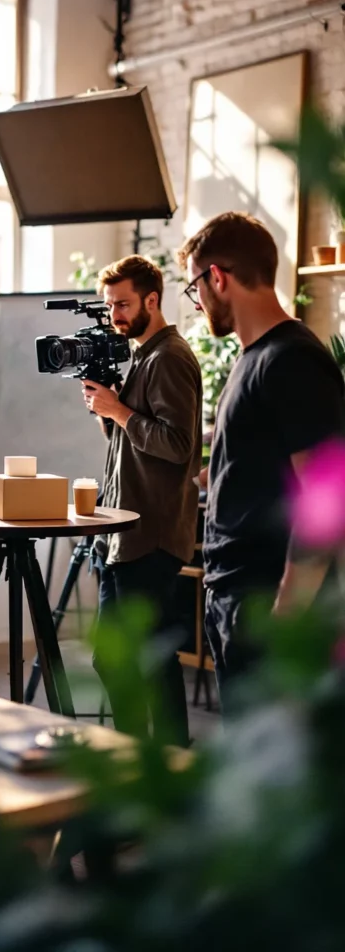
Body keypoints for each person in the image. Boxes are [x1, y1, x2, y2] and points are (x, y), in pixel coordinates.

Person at [179, 211, 345, 711]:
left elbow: (326, 499)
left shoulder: (291, 360)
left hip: (267, 604)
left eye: (195, 289)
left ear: (217, 277)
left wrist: (286, 616)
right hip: (234, 599)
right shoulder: (253, 357)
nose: (199, 302)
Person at [81, 255, 202, 747]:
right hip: (123, 532)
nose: (115, 315)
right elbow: (130, 440)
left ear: (153, 299)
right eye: (111, 305)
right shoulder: (141, 355)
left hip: (149, 535)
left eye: (124, 304)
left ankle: (164, 757)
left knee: (145, 656)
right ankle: (144, 754)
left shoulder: (169, 356)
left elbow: (178, 446)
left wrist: (120, 411)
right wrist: (106, 412)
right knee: (128, 657)